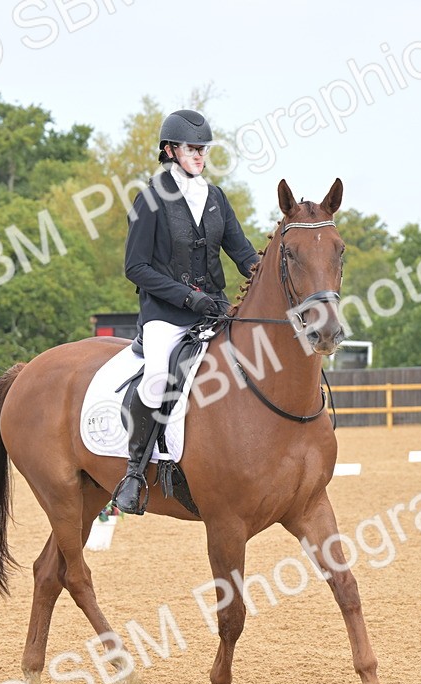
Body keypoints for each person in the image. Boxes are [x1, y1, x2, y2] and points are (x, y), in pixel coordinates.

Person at [111, 109, 261, 514]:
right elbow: (135, 268)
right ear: (170, 150)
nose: (200, 155)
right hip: (165, 314)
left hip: (213, 310)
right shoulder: (150, 198)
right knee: (160, 377)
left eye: (203, 149)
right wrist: (185, 297)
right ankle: (134, 472)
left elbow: (242, 252)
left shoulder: (214, 198)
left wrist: (270, 276)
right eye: (193, 148)